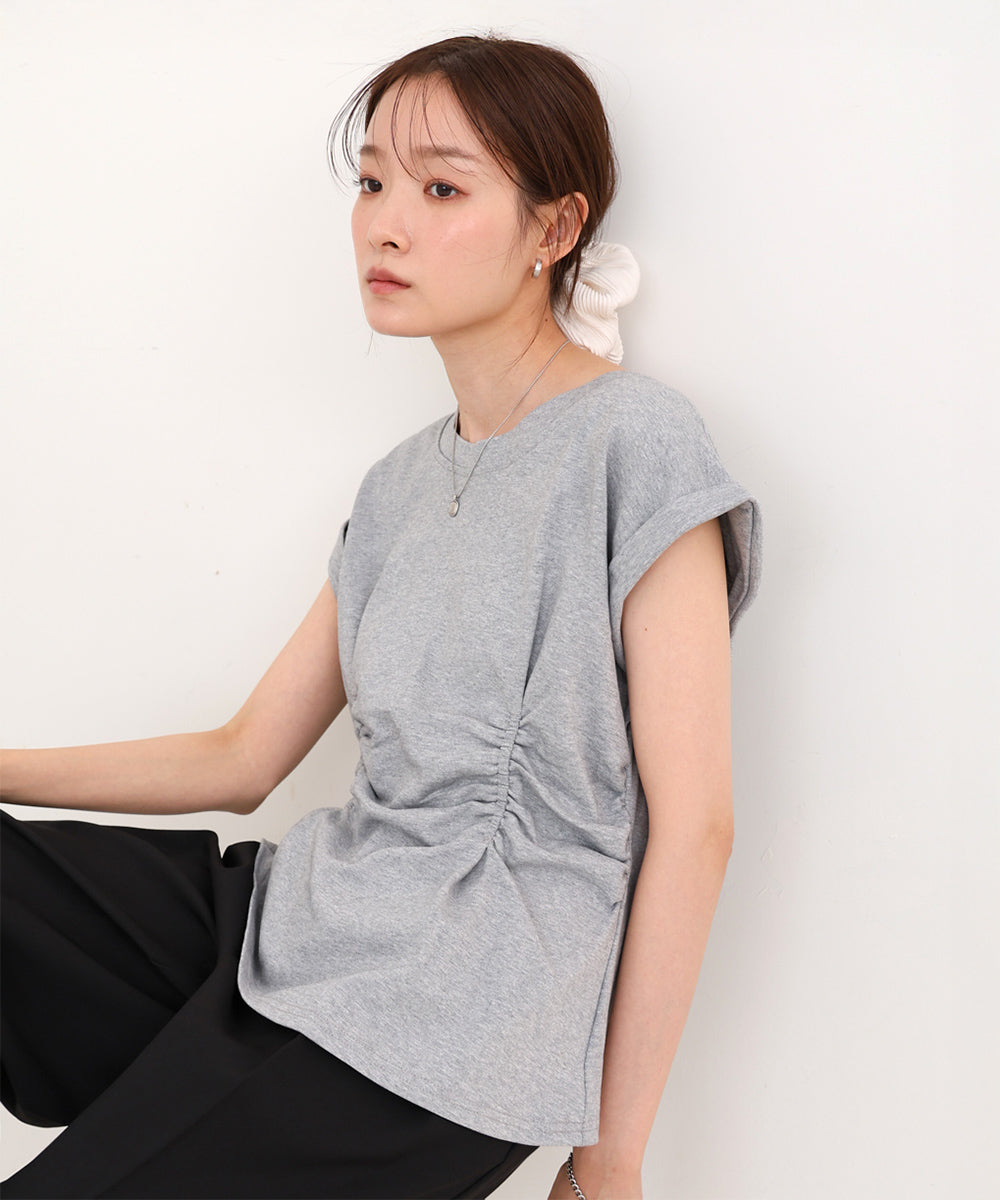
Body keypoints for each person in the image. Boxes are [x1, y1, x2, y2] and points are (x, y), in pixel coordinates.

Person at [0, 32, 762, 1200]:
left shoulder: (636, 445)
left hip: (450, 1023)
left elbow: (695, 825)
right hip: (295, 924)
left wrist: (609, 1158)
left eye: (441, 190)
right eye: (369, 183)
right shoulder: (397, 486)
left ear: (554, 228)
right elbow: (242, 757)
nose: (384, 226)